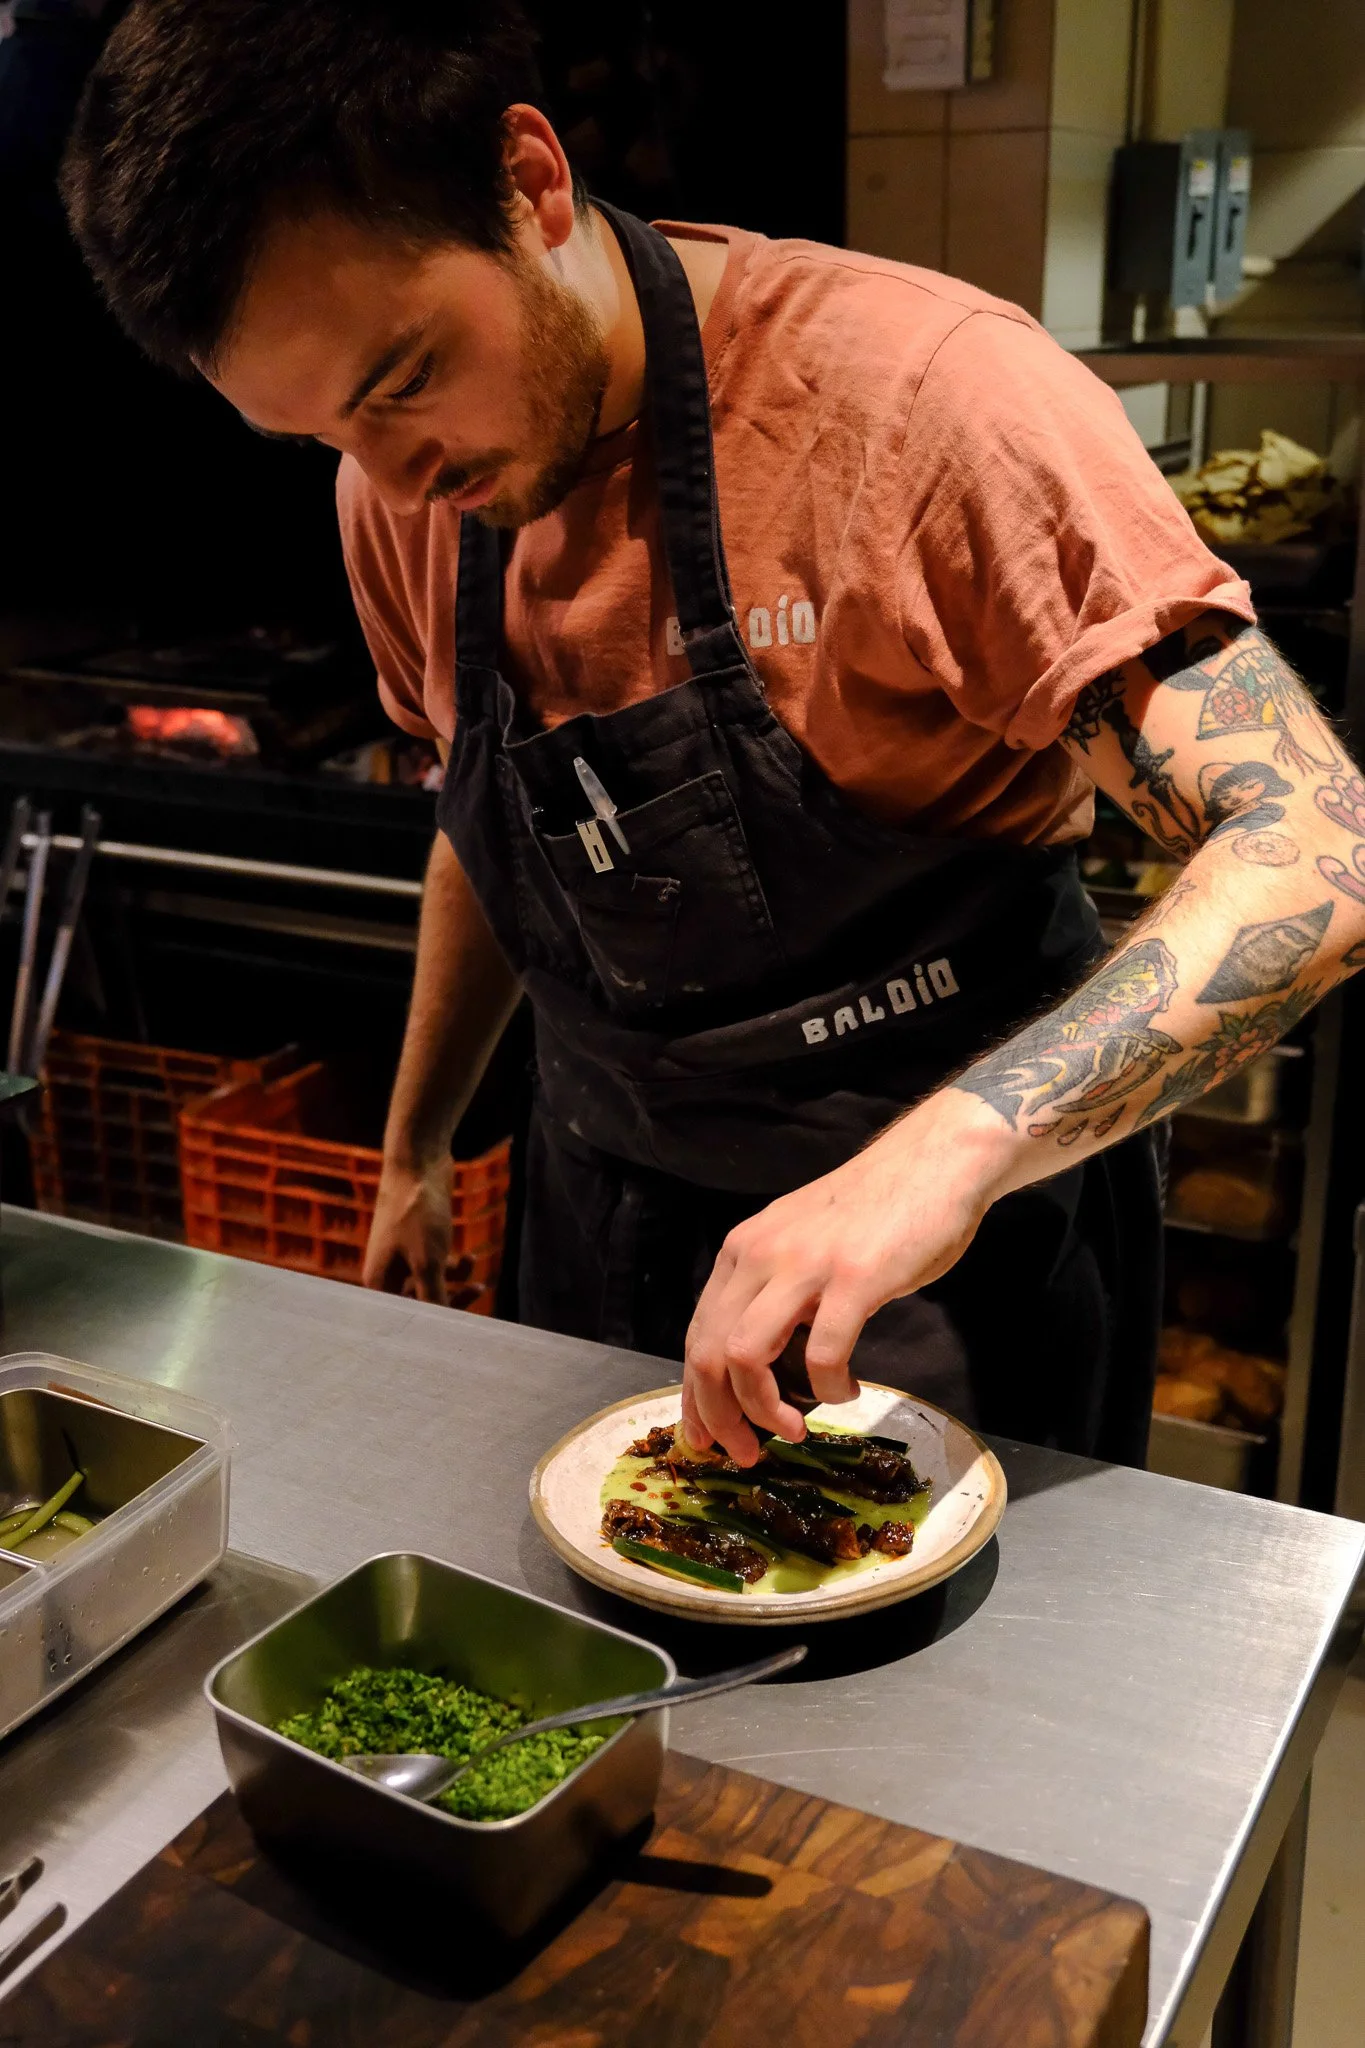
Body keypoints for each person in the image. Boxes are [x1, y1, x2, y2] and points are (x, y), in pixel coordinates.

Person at [62, 0, 1365, 1469]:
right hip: (600, 1210)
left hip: (933, 1262)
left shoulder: (920, 404)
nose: (395, 481)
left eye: (406, 376)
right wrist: (418, 1142)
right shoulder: (404, 500)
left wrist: (939, 1159)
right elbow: (493, 841)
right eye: (321, 438)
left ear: (532, 183)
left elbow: (1320, 852)